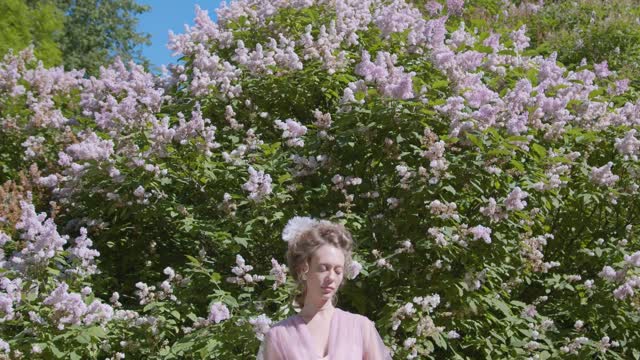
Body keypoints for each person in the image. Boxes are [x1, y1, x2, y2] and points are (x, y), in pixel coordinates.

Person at [257, 217, 391, 360]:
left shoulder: (361, 328)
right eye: (323, 268)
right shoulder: (279, 336)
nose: (331, 277)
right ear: (303, 269)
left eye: (338, 271)